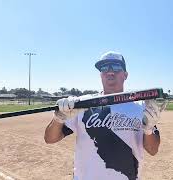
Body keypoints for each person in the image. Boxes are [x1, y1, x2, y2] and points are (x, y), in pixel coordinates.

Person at [44, 51, 166, 180]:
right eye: (104, 68)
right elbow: (50, 139)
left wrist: (148, 129)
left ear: (125, 75)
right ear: (101, 75)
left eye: (116, 67)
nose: (110, 72)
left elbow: (153, 150)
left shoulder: (141, 107)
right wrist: (59, 118)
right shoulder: (83, 104)